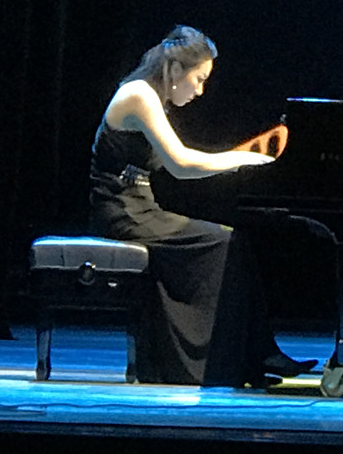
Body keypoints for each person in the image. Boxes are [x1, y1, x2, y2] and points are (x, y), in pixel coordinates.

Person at [88, 24, 318, 388]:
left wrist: (238, 158)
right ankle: (219, 363)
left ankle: (256, 354)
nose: (200, 90)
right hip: (121, 211)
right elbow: (180, 165)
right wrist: (240, 159)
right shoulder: (138, 95)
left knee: (233, 242)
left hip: (141, 208)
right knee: (223, 242)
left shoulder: (151, 97)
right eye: (199, 79)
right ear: (174, 68)